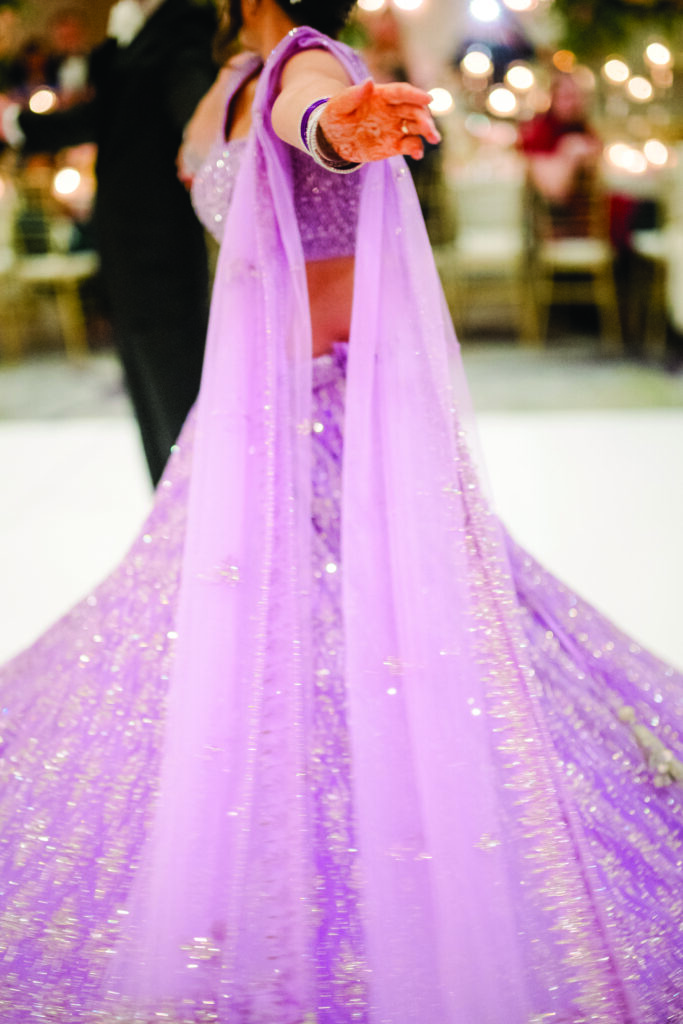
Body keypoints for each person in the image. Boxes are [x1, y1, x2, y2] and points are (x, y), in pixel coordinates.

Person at [0, 1, 682, 1022]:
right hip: (254, 420)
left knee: (345, 646)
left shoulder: (303, 67)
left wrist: (334, 128)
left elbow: (309, 111)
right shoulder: (235, 76)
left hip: (331, 415)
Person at [0, 0, 217, 485]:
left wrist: (207, 145)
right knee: (142, 376)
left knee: (175, 377)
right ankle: (166, 500)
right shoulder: (132, 30)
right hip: (122, 235)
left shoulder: (184, 23)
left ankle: (194, 500)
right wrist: (19, 125)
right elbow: (107, 114)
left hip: (161, 240)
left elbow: (191, 105)